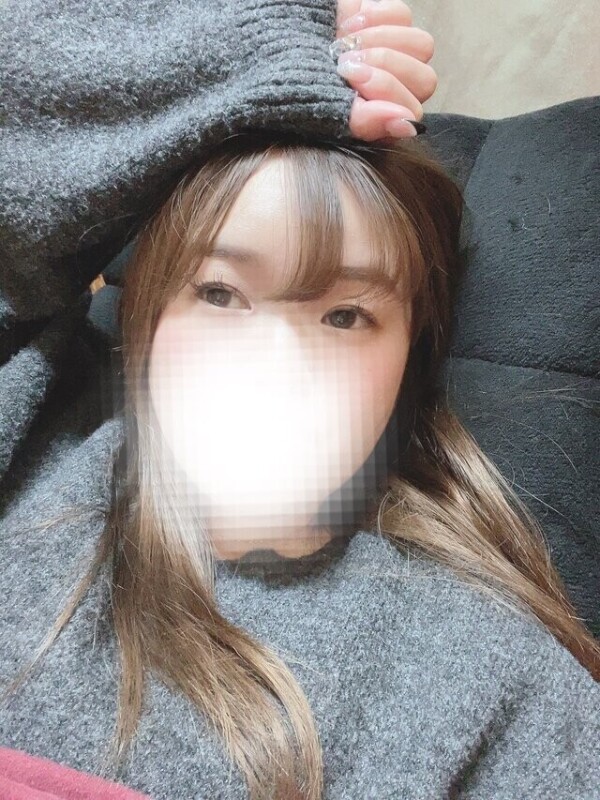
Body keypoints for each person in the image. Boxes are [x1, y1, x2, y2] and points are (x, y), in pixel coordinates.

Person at [1, 2, 599, 800]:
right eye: (219, 293)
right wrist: (254, 47)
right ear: (144, 314)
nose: (273, 371)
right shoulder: (29, 443)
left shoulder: (498, 688)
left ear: (410, 360)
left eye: (345, 315)